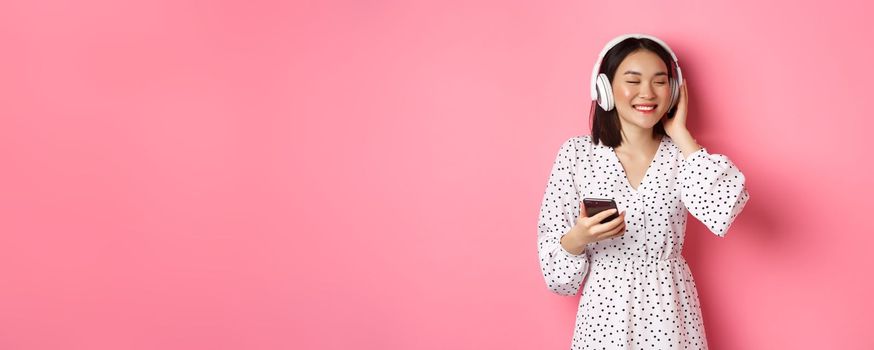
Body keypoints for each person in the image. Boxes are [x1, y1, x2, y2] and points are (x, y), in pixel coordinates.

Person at [536, 33, 750, 349]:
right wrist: (579, 237)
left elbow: (723, 211)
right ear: (604, 89)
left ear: (675, 90)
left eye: (660, 81)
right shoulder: (576, 155)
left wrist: (682, 135)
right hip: (604, 316)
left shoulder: (683, 156)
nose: (647, 93)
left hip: (671, 311)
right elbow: (557, 279)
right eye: (633, 81)